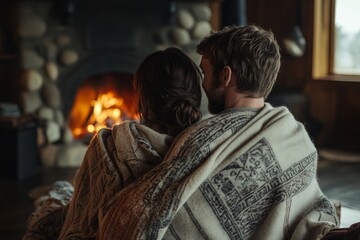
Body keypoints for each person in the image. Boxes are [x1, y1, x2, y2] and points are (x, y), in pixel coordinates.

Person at [98, 25, 339, 240]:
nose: (202, 84)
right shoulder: (296, 136)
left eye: (204, 73)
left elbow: (151, 206)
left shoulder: (201, 137)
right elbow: (309, 210)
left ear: (225, 76)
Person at [23, 47, 203, 239]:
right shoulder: (206, 149)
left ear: (143, 98)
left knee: (58, 195)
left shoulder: (107, 146)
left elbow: (79, 216)